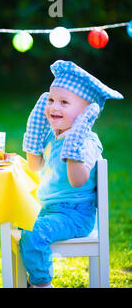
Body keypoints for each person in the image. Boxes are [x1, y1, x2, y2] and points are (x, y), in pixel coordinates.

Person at [20, 60, 123, 288]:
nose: (54, 107)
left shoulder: (87, 143)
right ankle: (28, 276)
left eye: (64, 102)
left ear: (86, 114)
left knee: (34, 233)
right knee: (18, 220)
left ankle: (41, 284)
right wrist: (34, 134)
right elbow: (35, 166)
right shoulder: (52, 135)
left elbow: (77, 181)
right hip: (48, 209)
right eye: (51, 100)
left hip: (75, 216)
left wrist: (75, 140)